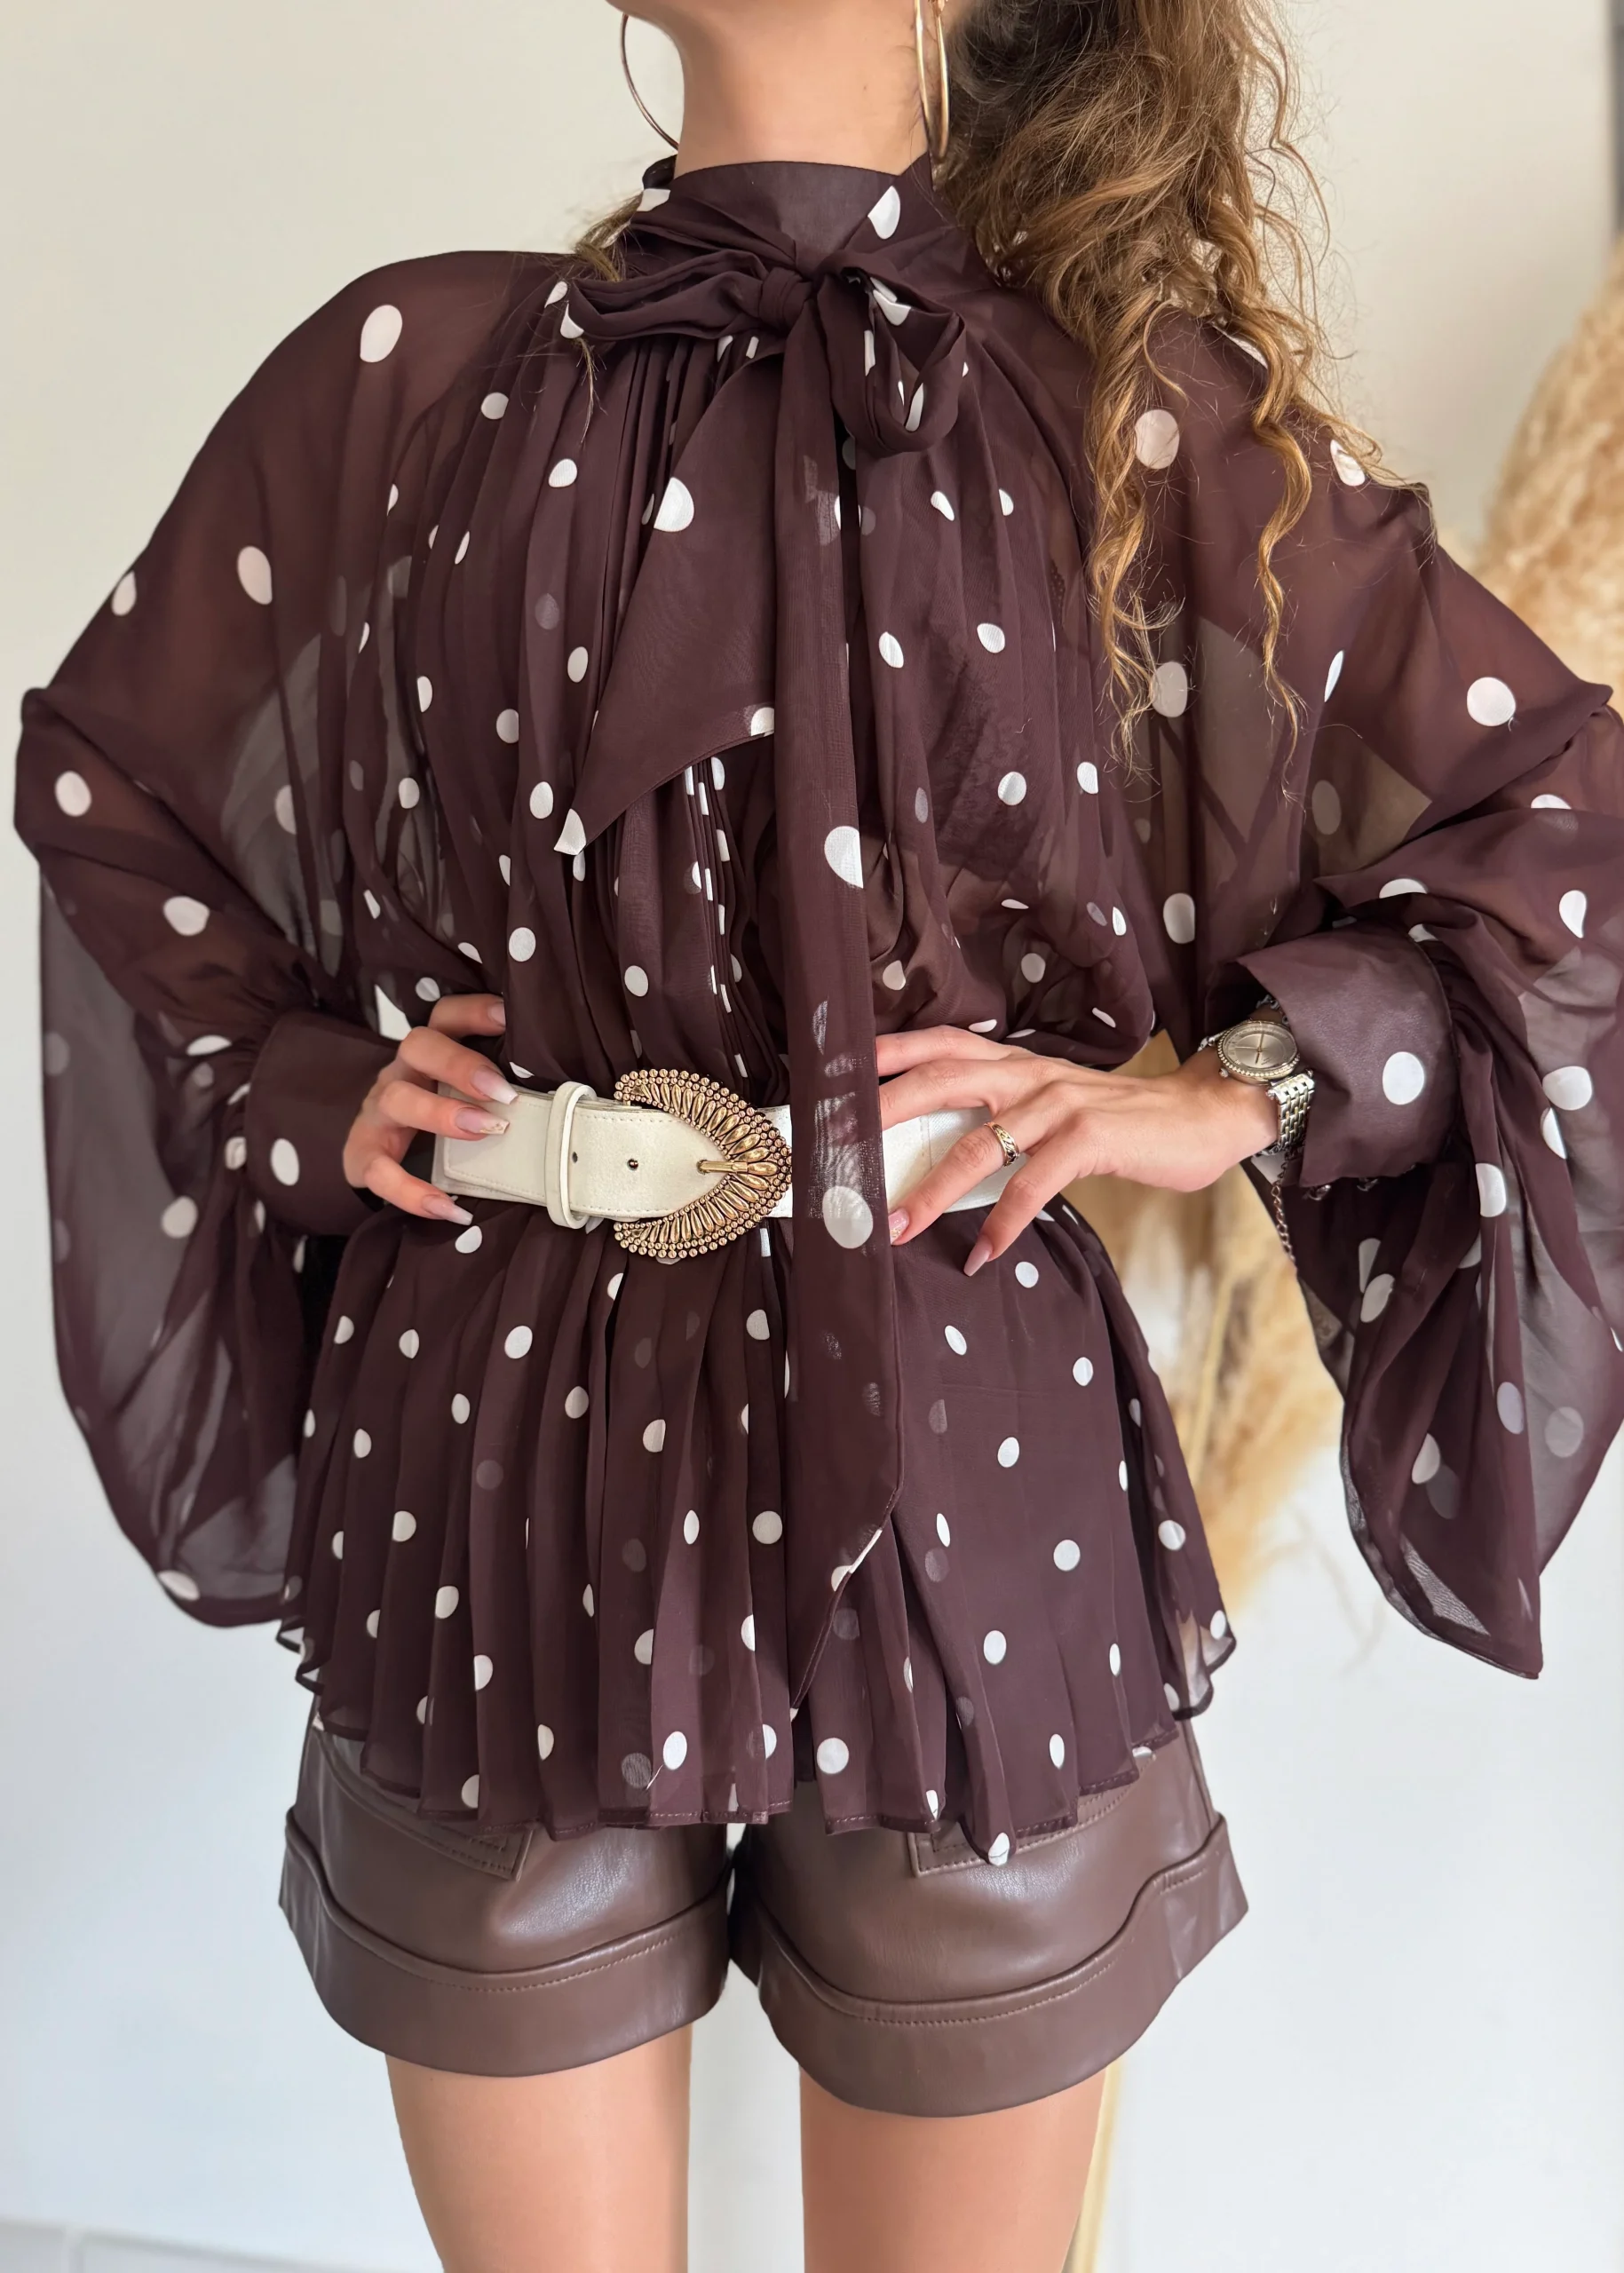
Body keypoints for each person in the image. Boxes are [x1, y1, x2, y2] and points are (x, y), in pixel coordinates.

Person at [16, 1, 1624, 2267]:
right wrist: (301, 1082)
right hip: (496, 1466)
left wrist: (1232, 1087)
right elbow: (117, 786)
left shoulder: (1124, 416)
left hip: (974, 1468)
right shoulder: (412, 378)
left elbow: (1552, 828)